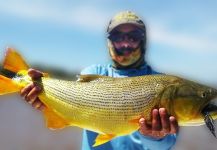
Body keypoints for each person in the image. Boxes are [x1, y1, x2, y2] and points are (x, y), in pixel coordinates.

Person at [20, 11, 179, 150]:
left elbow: (167, 145)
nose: (125, 43)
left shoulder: (163, 84)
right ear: (110, 41)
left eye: (133, 37)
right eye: (118, 36)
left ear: (142, 41)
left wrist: (155, 136)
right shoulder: (93, 73)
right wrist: (46, 100)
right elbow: (68, 102)